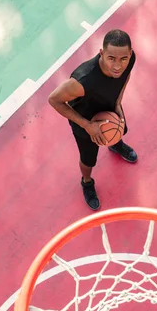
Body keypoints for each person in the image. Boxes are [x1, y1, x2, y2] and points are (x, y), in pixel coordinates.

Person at [48, 29, 137, 210]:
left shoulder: (130, 59)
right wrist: (87, 126)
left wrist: (118, 101)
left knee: (117, 131)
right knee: (88, 160)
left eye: (123, 59)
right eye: (111, 58)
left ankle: (115, 144)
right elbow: (54, 100)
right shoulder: (83, 81)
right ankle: (87, 182)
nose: (118, 66)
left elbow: (125, 77)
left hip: (109, 108)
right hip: (85, 120)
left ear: (129, 54)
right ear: (102, 53)